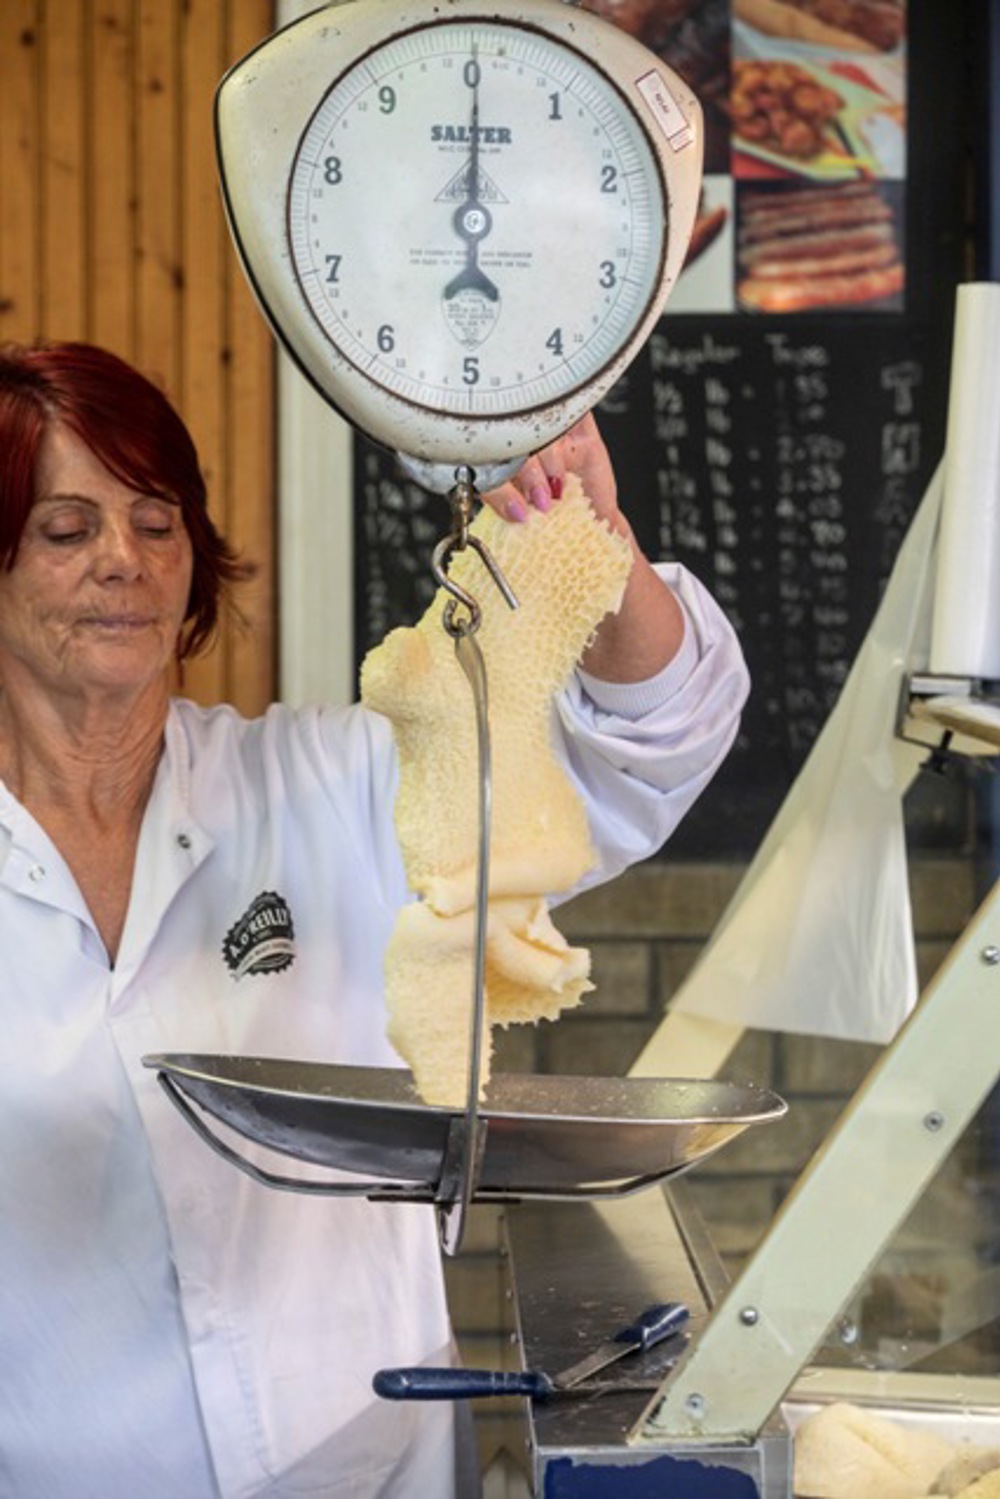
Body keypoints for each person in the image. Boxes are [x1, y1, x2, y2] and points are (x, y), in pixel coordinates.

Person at [0, 340, 749, 1498]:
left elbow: (648, 749)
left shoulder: (328, 786)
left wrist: (591, 536)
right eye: (66, 528)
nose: (125, 562)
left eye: (158, 523)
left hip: (372, 1472)